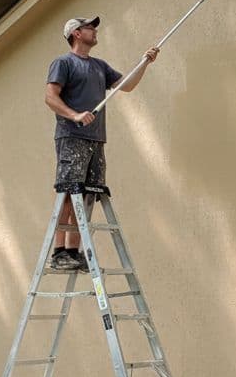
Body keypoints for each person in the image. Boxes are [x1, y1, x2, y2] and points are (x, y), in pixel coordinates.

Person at [45, 15, 159, 271]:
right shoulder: (63, 63)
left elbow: (126, 86)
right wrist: (75, 115)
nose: (95, 31)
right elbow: (50, 97)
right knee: (68, 192)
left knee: (87, 196)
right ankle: (60, 252)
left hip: (96, 139)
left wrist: (145, 62)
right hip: (72, 136)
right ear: (76, 33)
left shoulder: (99, 66)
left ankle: (75, 251)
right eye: (89, 27)